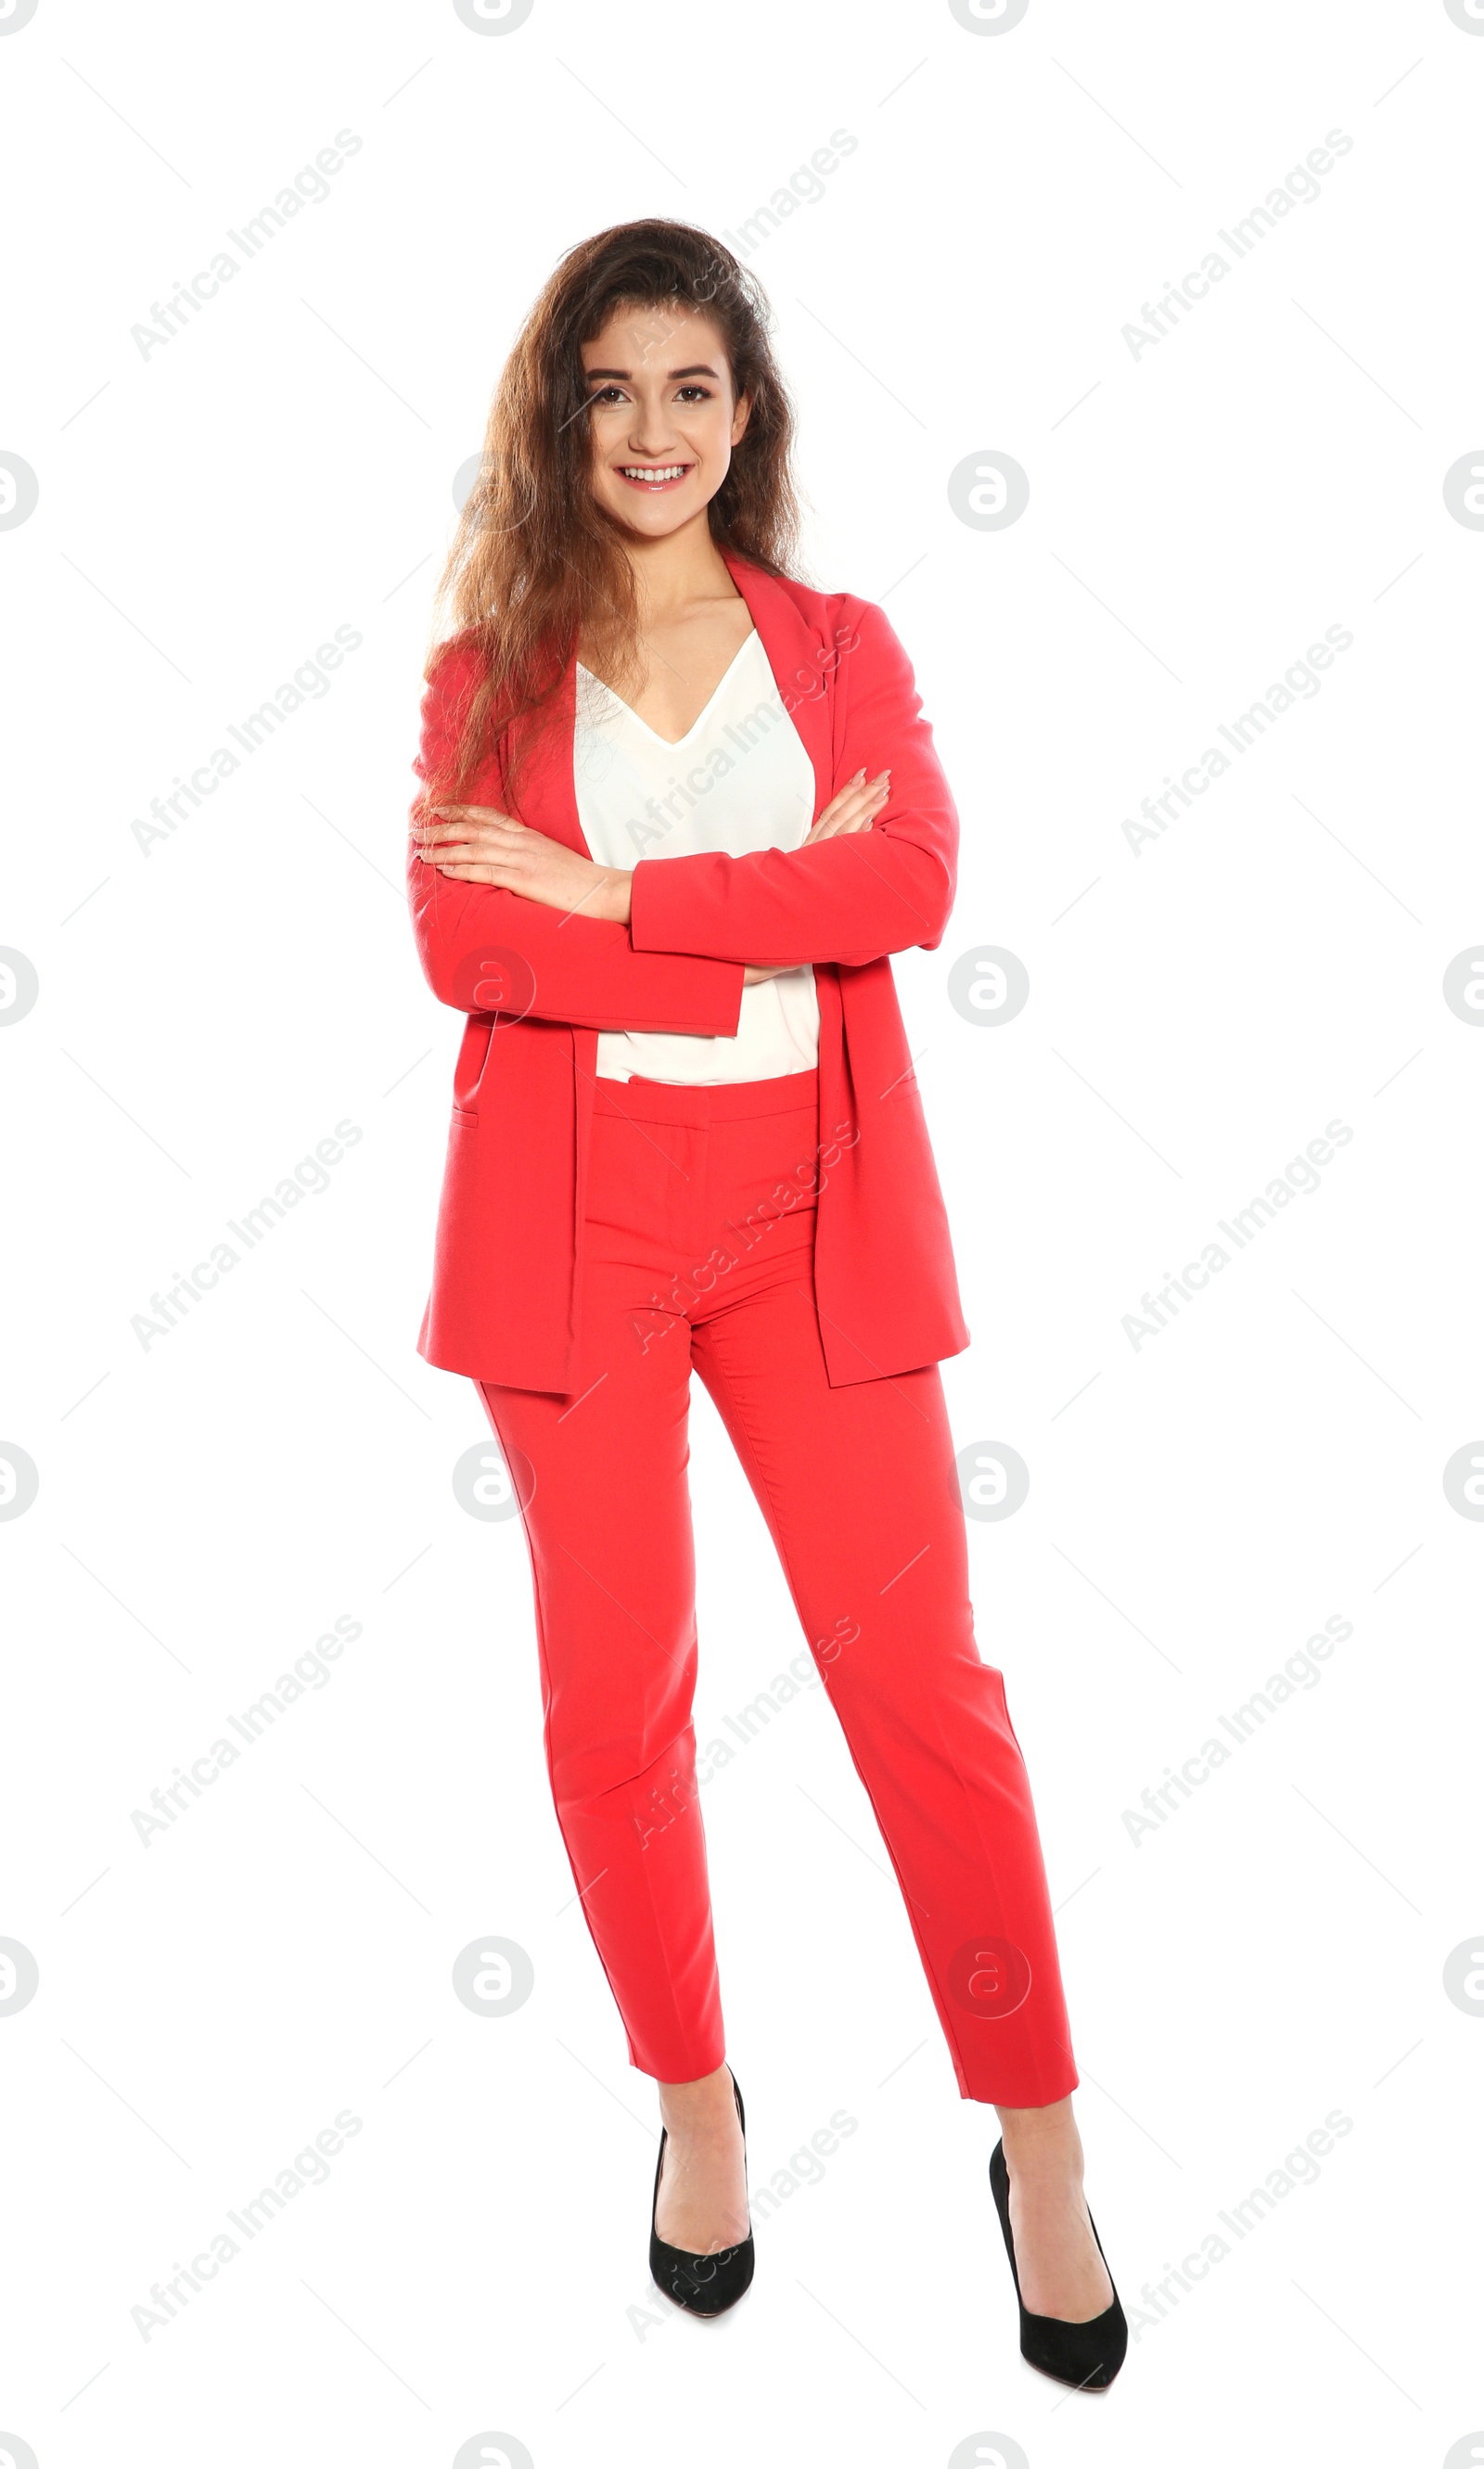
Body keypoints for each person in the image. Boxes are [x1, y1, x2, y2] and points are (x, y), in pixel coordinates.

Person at [407, 217, 1126, 2388]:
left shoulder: (836, 649)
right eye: (609, 388)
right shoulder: (483, 677)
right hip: (579, 1226)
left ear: (747, 413)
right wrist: (767, 927)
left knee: (918, 1677)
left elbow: (909, 886)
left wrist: (625, 896)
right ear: (564, 418)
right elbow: (469, 952)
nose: (651, 429)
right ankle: (694, 2098)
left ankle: (1041, 2141)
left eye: (690, 387)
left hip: (814, 1209)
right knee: (611, 1703)